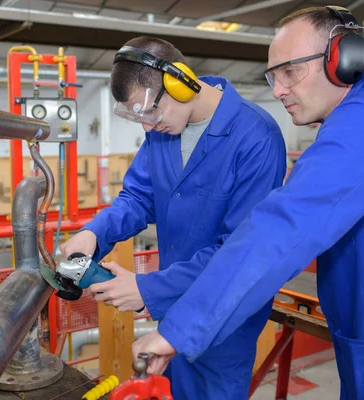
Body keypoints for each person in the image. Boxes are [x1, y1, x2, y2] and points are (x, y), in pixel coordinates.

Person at [132, 6, 364, 400]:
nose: (278, 89)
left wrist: (177, 329)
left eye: (290, 72)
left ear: (342, 61)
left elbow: (281, 228)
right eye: (273, 76)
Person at [59, 36, 287, 399]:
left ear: (180, 83)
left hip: (223, 321)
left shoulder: (256, 137)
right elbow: (136, 198)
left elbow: (237, 251)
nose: (147, 128)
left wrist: (147, 289)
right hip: (172, 312)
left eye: (150, 113)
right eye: (139, 117)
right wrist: (93, 233)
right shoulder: (164, 133)